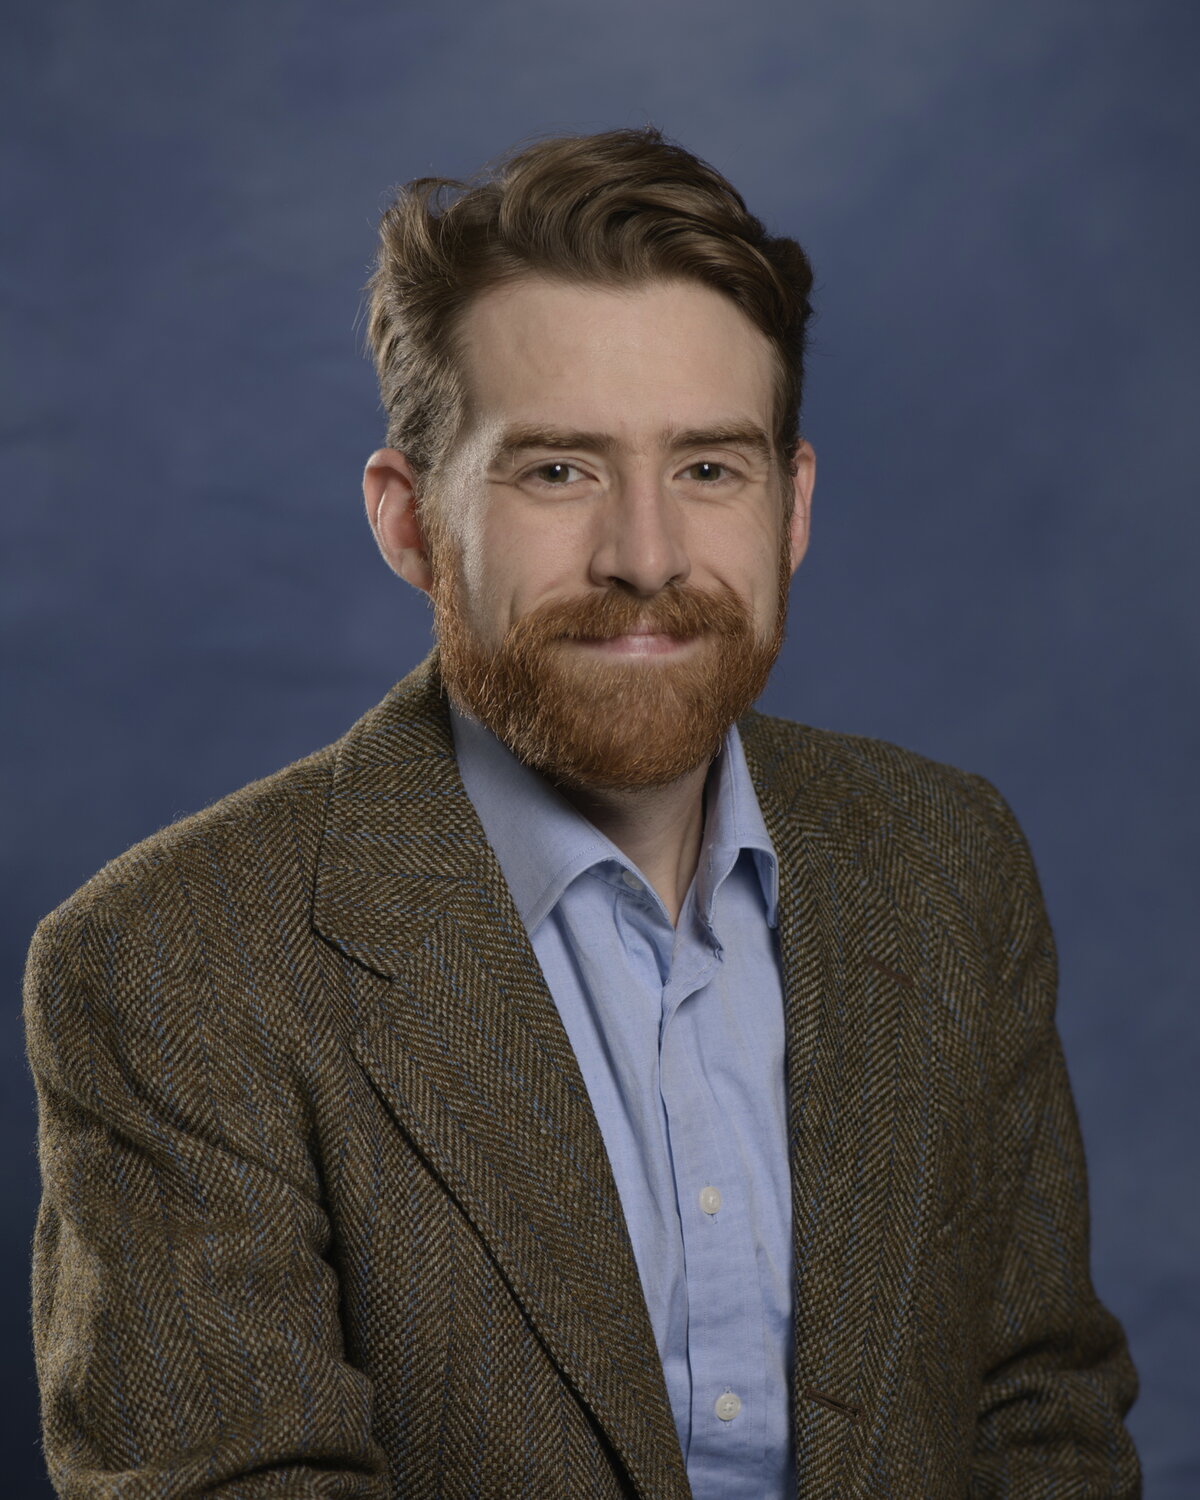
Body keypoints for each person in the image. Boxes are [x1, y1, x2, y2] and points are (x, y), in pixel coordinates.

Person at [23, 125, 1141, 1499]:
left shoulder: (948, 862)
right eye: (558, 469)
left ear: (790, 508)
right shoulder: (170, 961)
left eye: (709, 469)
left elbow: (1040, 1413)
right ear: (411, 520)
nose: (647, 556)